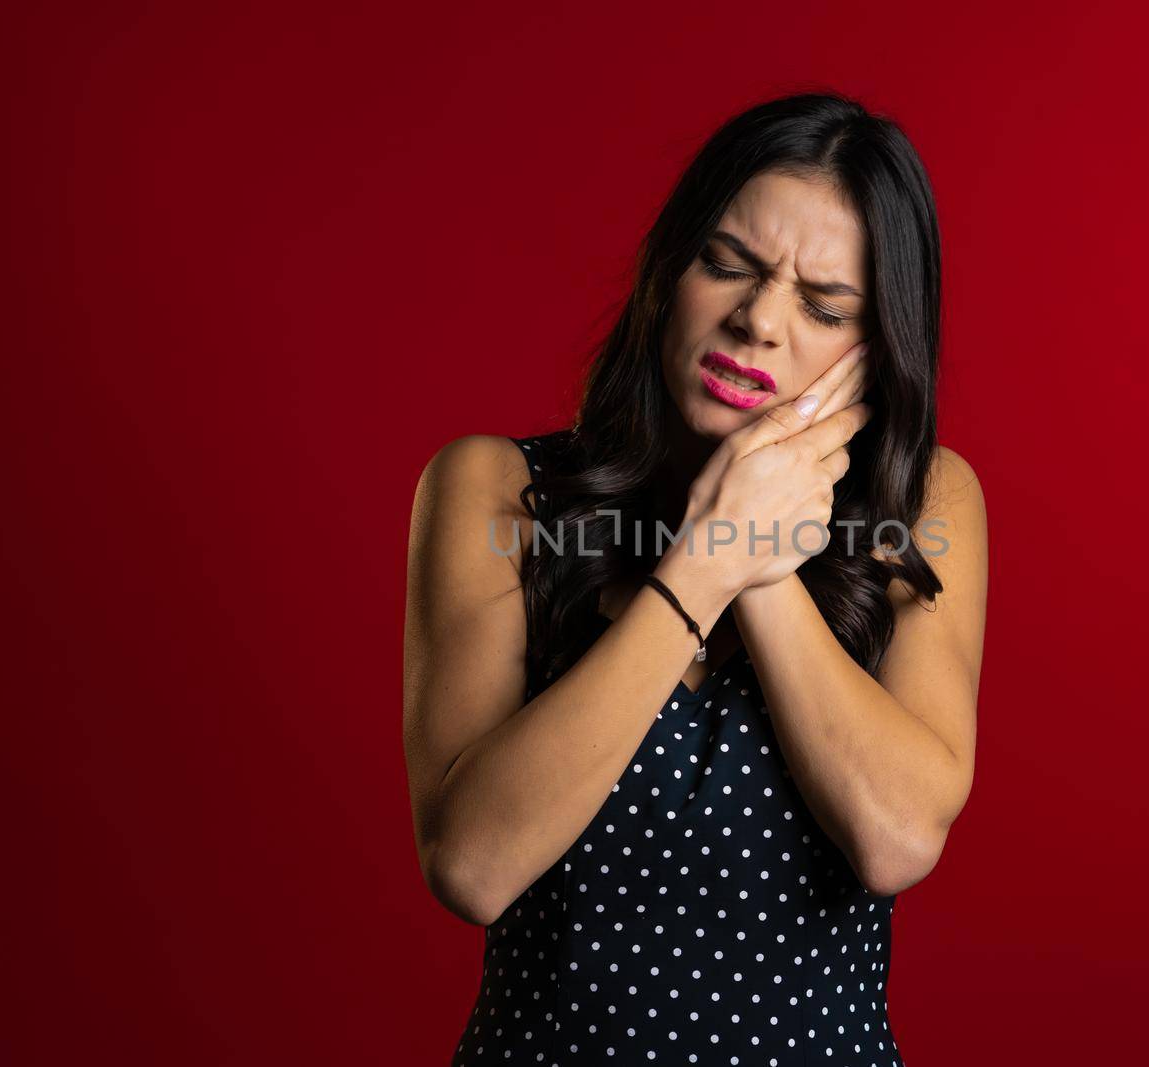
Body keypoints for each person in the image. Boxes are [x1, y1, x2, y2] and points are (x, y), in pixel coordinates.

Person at [403, 91, 988, 1066]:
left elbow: (895, 837)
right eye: (729, 265)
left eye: (822, 305)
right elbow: (473, 864)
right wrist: (706, 557)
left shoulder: (926, 504)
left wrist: (758, 554)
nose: (758, 320)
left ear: (875, 349)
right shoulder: (496, 490)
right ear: (666, 272)